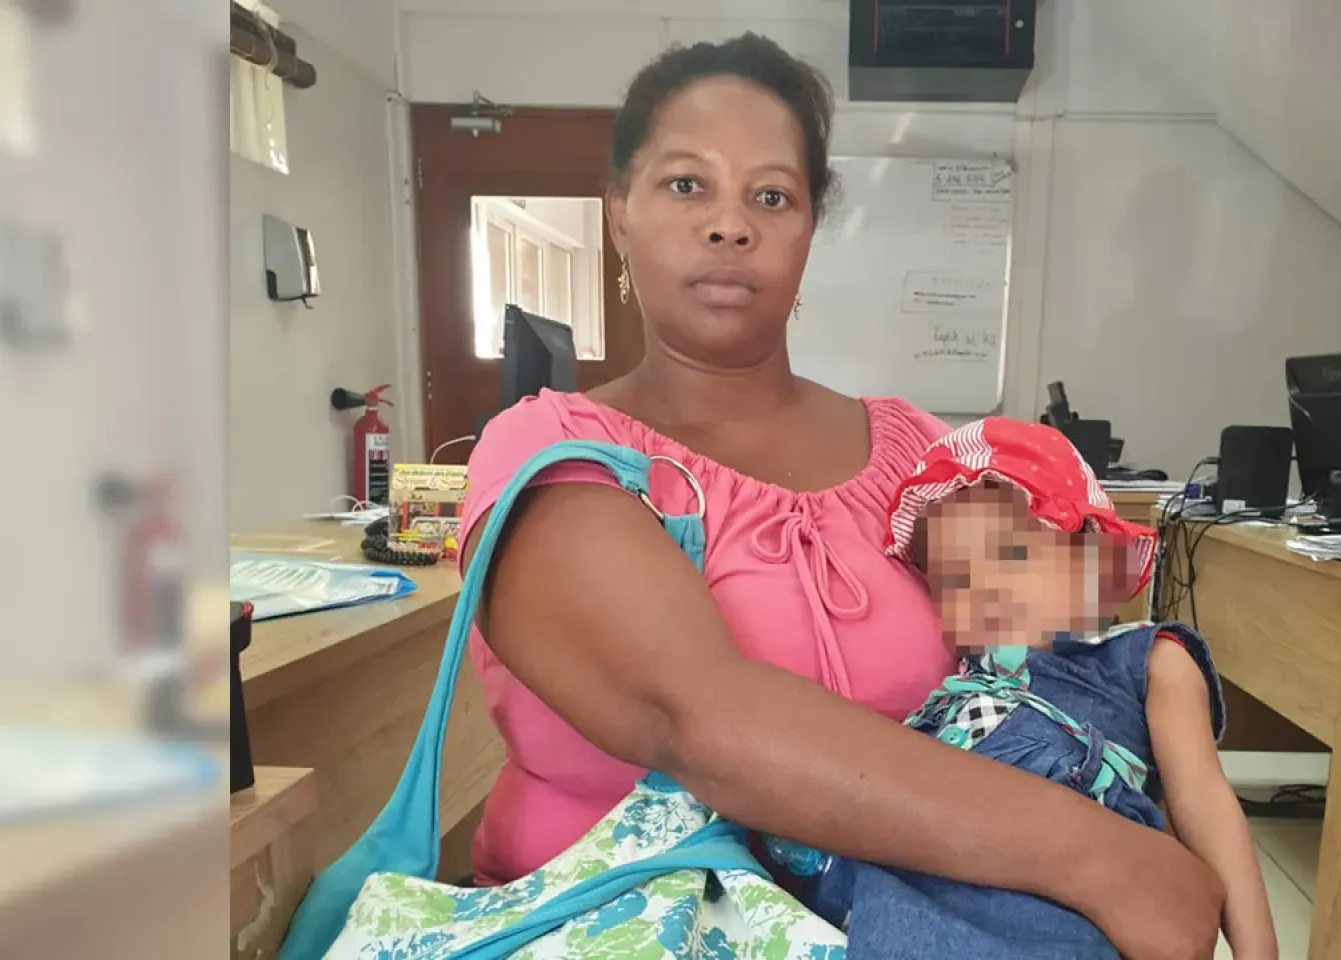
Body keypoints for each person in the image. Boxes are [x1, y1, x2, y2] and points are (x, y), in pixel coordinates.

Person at [460, 32, 1223, 960]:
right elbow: (691, 716)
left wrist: (1155, 685)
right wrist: (1098, 856)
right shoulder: (549, 450)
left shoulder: (926, 457)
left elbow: (1049, 659)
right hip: (616, 927)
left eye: (770, 195)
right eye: (686, 184)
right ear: (619, 212)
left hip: (926, 927)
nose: (729, 225)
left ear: (811, 226)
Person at [772, 418, 1277, 959]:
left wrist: (1257, 952)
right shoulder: (958, 686)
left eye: (1011, 554)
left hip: (1048, 895)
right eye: (955, 581)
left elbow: (1203, 800)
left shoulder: (1149, 658)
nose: (984, 587)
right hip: (910, 858)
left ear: (1089, 561)